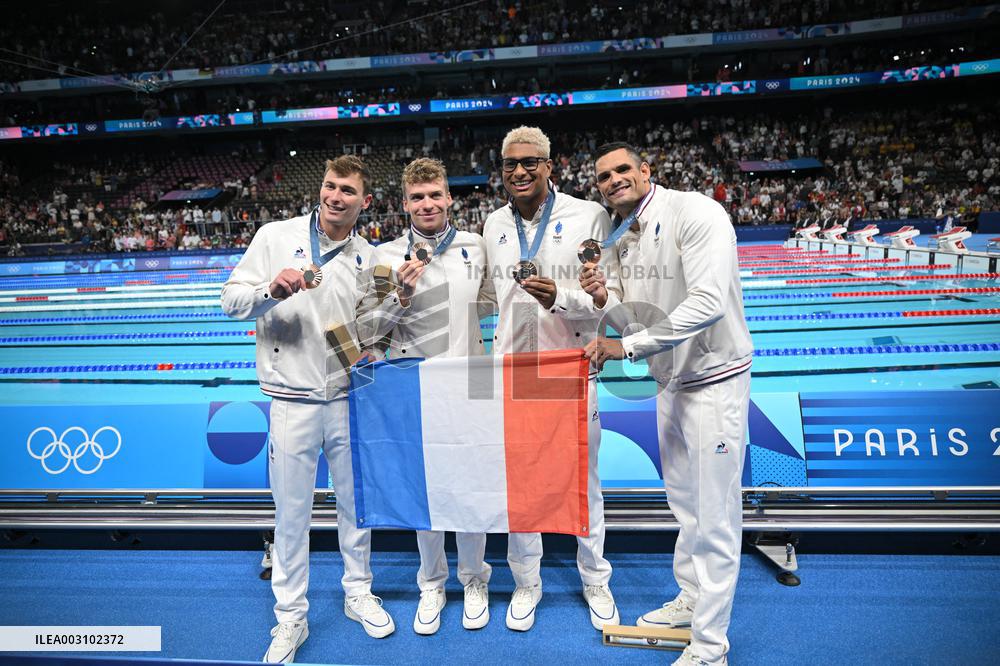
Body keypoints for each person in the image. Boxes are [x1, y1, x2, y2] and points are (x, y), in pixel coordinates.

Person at [579, 142, 753, 666]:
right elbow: (637, 321)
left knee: (717, 517)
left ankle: (710, 648)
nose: (613, 181)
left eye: (622, 170)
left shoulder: (695, 211)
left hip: (714, 382)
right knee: (685, 506)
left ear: (645, 170)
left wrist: (625, 347)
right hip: (670, 386)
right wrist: (603, 303)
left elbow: (707, 302)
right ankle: (692, 598)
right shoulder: (619, 239)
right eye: (603, 177)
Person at [221, 155, 396, 665]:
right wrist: (267, 292)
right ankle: (290, 619)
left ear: (365, 201)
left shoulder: (370, 257)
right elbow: (229, 300)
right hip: (291, 401)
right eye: (330, 186)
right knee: (291, 517)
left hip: (346, 400)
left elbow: (369, 331)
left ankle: (357, 592)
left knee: (354, 507)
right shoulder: (275, 235)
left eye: (347, 190)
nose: (335, 196)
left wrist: (377, 341)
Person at [482, 126, 620, 633]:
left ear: (549, 166)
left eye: (530, 162)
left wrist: (557, 297)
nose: (519, 171)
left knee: (584, 481)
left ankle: (595, 578)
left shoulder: (589, 216)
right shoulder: (493, 224)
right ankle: (526, 581)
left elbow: (608, 296)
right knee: (521, 487)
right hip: (513, 376)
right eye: (510, 164)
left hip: (569, 371)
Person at [357, 158, 496, 635]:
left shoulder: (476, 247)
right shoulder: (385, 257)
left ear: (449, 197)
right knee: (426, 489)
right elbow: (366, 328)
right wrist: (399, 295)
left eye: (435, 194)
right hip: (414, 386)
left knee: (473, 485)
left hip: (473, 383)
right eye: (418, 197)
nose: (428, 203)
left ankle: (474, 578)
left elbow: (495, 301)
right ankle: (432, 581)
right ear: (404, 204)